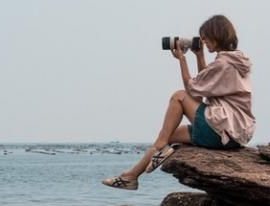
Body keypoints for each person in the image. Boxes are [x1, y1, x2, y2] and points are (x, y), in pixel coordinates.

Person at [102, 14, 254, 190]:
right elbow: (206, 84)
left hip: (222, 131)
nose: (203, 41)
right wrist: (199, 56)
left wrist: (182, 59)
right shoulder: (235, 60)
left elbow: (192, 89)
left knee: (179, 96)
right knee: (171, 136)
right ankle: (131, 176)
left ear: (216, 35)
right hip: (233, 134)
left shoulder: (223, 64)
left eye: (205, 37)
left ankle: (160, 148)